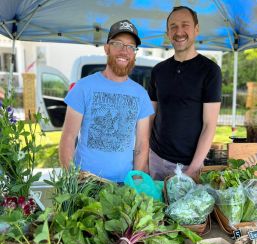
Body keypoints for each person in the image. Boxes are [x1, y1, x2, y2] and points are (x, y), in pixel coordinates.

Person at [59, 20, 154, 182]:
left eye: (131, 46)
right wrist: (72, 180)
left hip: (123, 184)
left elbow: (142, 144)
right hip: (85, 182)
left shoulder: (141, 95)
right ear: (106, 48)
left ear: (135, 53)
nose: (125, 51)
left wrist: (135, 179)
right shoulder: (83, 87)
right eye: (118, 44)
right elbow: (68, 137)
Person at [148, 6, 222, 180]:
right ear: (167, 33)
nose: (179, 31)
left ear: (196, 29)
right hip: (156, 159)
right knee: (152, 207)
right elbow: (150, 117)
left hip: (189, 165)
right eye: (173, 26)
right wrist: (144, 159)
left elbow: (209, 125)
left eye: (185, 25)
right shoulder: (158, 71)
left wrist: (193, 169)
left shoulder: (210, 71)